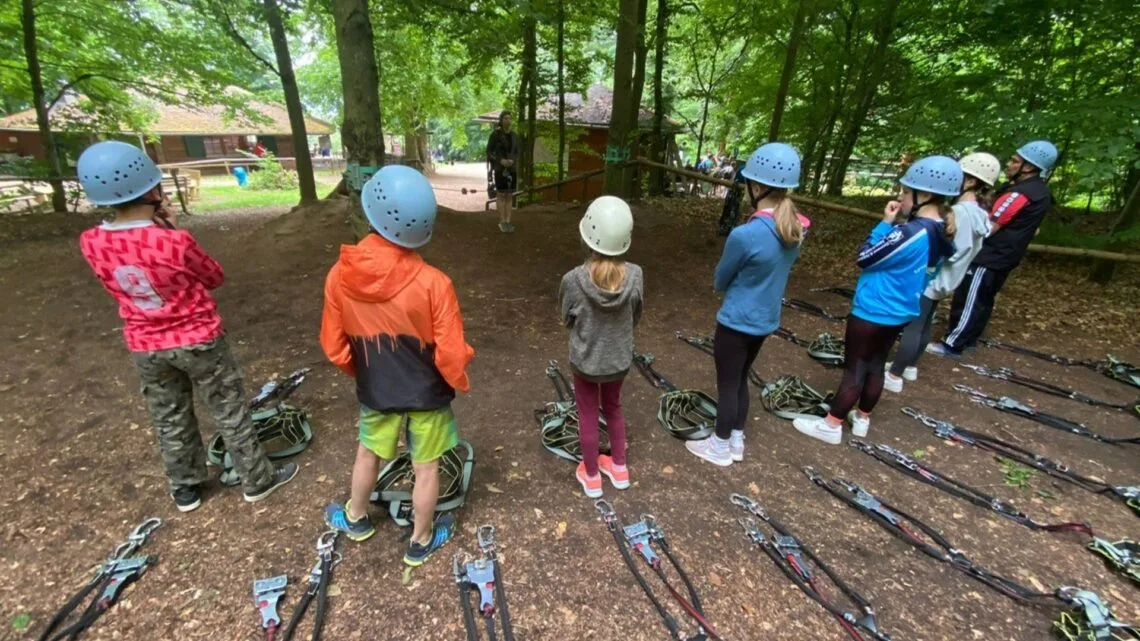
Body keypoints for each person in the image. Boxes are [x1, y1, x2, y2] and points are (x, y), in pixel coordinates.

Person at [76, 141, 298, 512]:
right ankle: (256, 480)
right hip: (198, 339)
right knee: (229, 409)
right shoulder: (172, 242)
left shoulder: (91, 242)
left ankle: (186, 489)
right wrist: (173, 229)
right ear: (152, 191)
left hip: (145, 343)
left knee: (169, 415)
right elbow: (213, 276)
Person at [321, 165, 474, 567]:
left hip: (377, 390)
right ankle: (420, 541)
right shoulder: (434, 283)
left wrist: (367, 375)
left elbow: (335, 346)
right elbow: (451, 353)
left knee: (368, 453)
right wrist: (457, 380)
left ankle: (355, 518)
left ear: (371, 212)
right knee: (427, 467)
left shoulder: (340, 275)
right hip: (427, 394)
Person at [794, 155, 958, 445]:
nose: (902, 196)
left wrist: (885, 224)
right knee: (876, 364)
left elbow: (865, 257)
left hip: (874, 309)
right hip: (902, 309)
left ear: (927, 195)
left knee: (855, 367)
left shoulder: (911, 233)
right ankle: (863, 417)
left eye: (907, 192)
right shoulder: (941, 233)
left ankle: (832, 425)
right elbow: (931, 272)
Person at [686, 143, 808, 466]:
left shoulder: (747, 234)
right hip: (765, 320)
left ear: (757, 186)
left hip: (737, 320)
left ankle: (719, 445)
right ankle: (736, 437)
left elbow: (721, 279)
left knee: (727, 382)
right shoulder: (796, 228)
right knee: (740, 377)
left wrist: (725, 282)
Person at [929, 140, 1057, 358]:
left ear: (1029, 167)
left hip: (991, 255)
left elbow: (989, 227)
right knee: (984, 298)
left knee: (970, 296)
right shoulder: (1040, 192)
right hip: (1007, 255)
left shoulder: (1019, 194)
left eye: (1015, 161)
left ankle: (953, 343)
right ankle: (969, 338)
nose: (1009, 164)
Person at [885, 153, 999, 391]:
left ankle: (895, 374)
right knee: (925, 322)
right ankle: (910, 366)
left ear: (969, 182)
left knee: (913, 325)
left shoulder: (961, 213)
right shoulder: (979, 213)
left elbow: (953, 249)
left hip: (934, 277)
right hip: (949, 278)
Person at [558, 196, 642, 498]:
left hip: (586, 362)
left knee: (588, 413)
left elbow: (566, 317)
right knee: (614, 407)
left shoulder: (573, 280)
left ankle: (592, 474)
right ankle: (619, 467)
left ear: (588, 236)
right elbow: (636, 315)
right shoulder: (635, 275)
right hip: (618, 360)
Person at [486, 111, 519, 233]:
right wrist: (500, 161)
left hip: (512, 168)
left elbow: (517, 151)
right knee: (501, 194)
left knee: (509, 195)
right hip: (500, 169)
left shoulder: (515, 136)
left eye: (510, 118)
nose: (508, 121)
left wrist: (512, 160)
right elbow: (489, 151)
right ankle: (501, 221)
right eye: (505, 118)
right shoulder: (495, 135)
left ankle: (508, 221)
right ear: (501, 120)